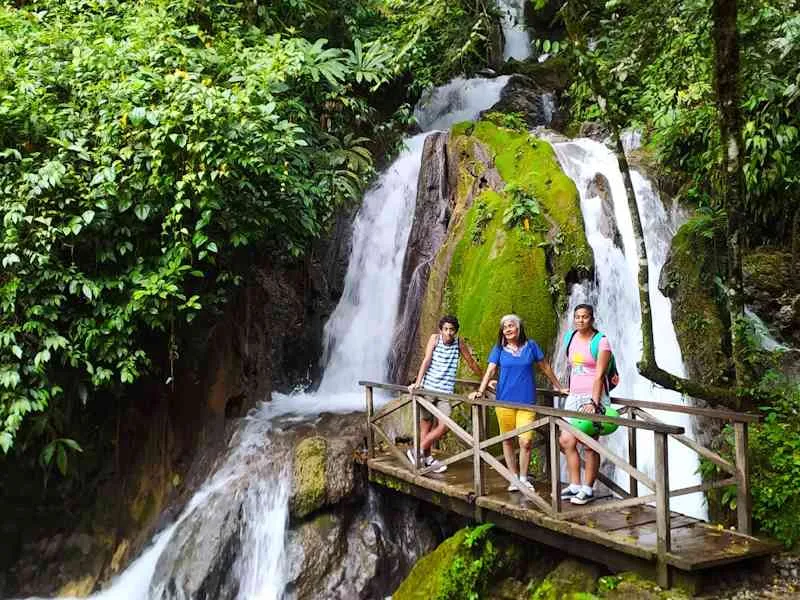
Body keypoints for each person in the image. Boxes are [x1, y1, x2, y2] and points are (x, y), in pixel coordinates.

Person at [469, 314, 567, 491]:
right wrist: (480, 391)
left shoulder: (531, 346)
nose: (507, 329)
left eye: (511, 325)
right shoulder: (499, 349)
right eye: (505, 327)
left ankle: (523, 478)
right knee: (507, 440)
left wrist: (558, 387)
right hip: (504, 401)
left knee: (526, 441)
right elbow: (491, 371)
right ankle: (513, 478)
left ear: (519, 328)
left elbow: (545, 367)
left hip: (527, 402)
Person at [408, 315, 483, 473]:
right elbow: (427, 360)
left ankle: (417, 450)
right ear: (441, 330)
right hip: (428, 389)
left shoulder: (459, 343)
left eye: (452, 330)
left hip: (445, 393)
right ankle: (427, 459)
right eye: (446, 329)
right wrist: (418, 382)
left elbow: (471, 362)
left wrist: (485, 380)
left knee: (445, 425)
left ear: (455, 331)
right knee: (426, 427)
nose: (448, 333)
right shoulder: (435, 339)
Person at [559, 304, 613, 505]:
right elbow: (572, 368)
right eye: (578, 317)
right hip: (574, 395)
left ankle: (588, 488)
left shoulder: (602, 342)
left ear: (592, 319)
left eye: (585, 317)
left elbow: (599, 375)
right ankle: (575, 485)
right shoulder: (570, 338)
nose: (581, 320)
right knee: (566, 440)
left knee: (590, 444)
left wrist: (594, 402)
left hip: (594, 397)